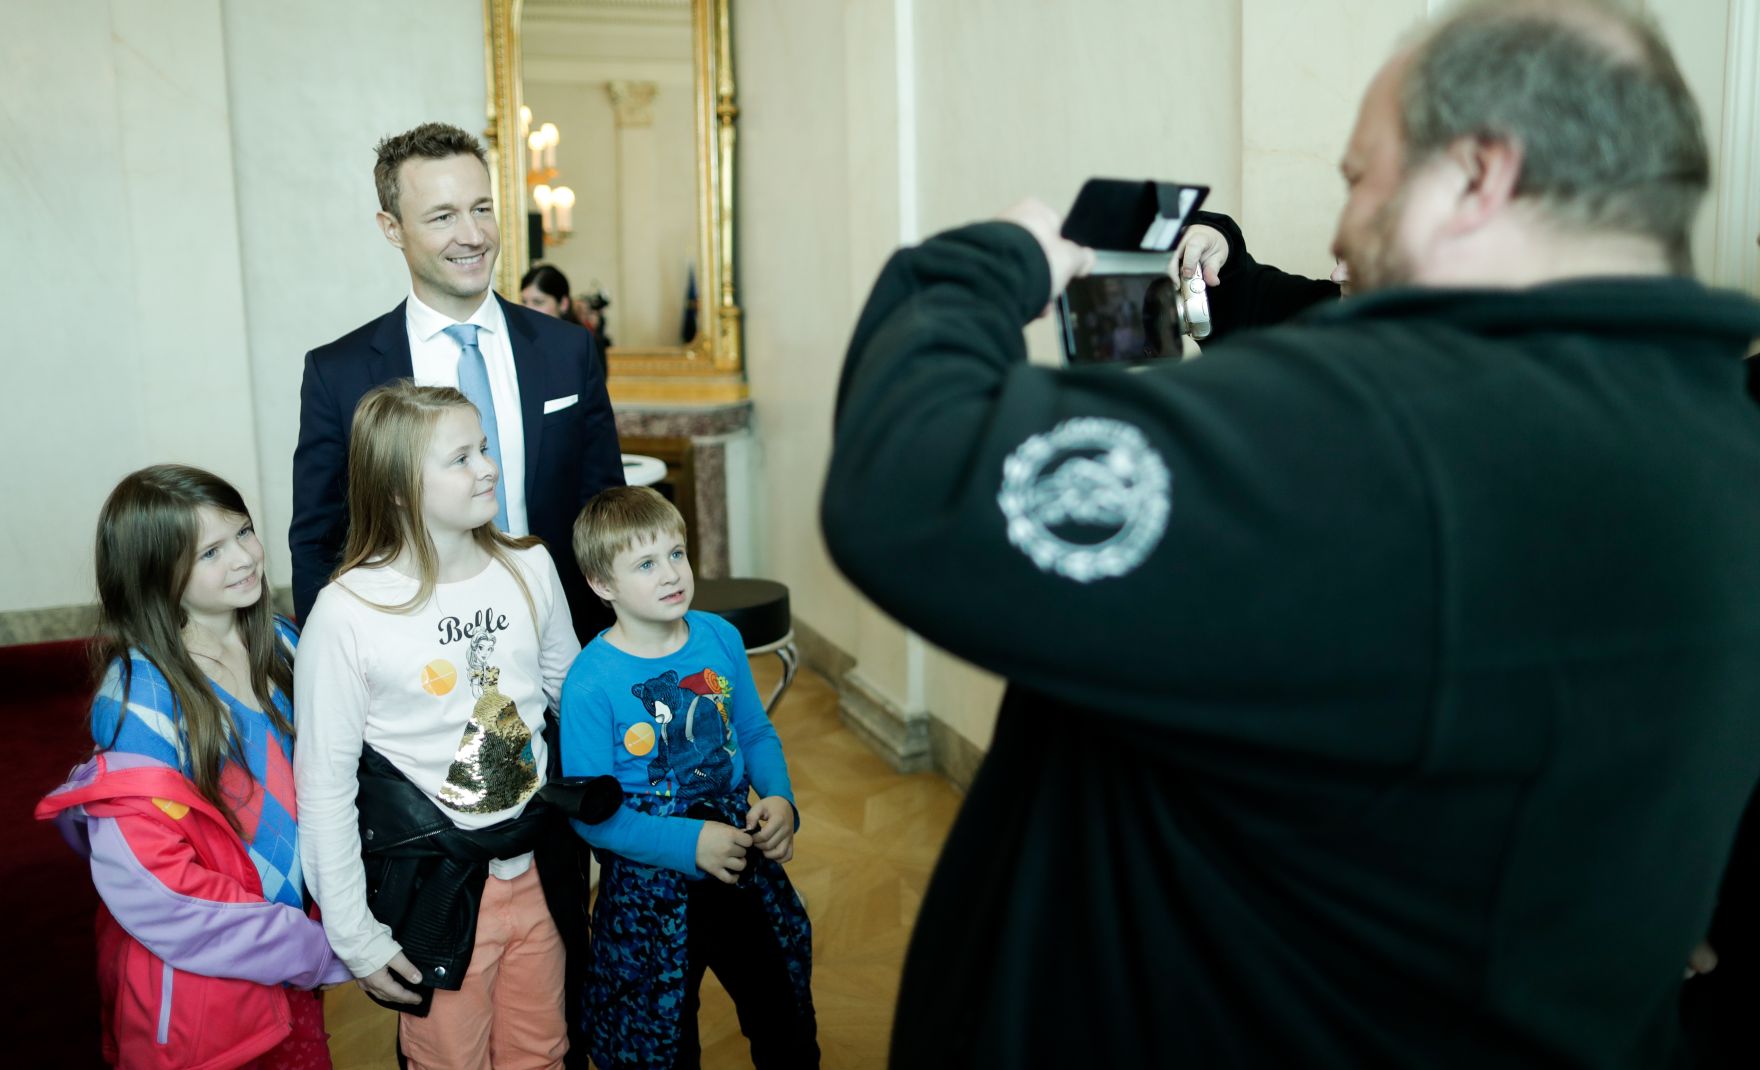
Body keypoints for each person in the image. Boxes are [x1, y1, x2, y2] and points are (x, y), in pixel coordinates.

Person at [820, 0, 1760, 1065]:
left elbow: (907, 476)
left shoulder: (1388, 432)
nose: (1339, 225)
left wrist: (989, 264)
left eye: (1360, 178)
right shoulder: (1714, 436)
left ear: (1476, 174)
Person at [294, 382, 585, 1070]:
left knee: (544, 1051)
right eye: (460, 458)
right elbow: (325, 787)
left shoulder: (529, 566)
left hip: (539, 874)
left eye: (483, 448)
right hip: (436, 893)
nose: (487, 467)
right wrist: (357, 936)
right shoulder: (348, 612)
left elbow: (573, 700)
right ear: (397, 487)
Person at [34, 464, 349, 1070]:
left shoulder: (282, 643)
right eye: (210, 552)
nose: (243, 558)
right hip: (209, 988)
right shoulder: (140, 700)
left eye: (244, 532)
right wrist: (311, 949)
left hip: (292, 962)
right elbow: (163, 890)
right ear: (156, 575)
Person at [291, 121, 624, 644]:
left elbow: (605, 508)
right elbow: (319, 539)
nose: (472, 235)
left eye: (482, 208)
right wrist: (329, 664)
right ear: (392, 227)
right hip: (412, 653)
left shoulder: (567, 350)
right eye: (443, 216)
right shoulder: (341, 374)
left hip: (568, 637)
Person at [560, 486, 817, 1069]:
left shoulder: (718, 638)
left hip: (739, 856)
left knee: (784, 1016)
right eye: (646, 564)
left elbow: (753, 734)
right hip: (649, 890)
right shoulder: (590, 683)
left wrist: (779, 798)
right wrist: (688, 843)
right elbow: (594, 816)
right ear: (603, 585)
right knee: (661, 1045)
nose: (672, 573)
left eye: (677, 553)